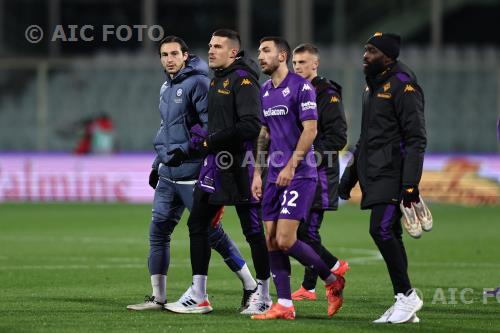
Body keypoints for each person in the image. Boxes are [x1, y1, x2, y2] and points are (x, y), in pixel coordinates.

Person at [127, 36, 251, 312]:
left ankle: (251, 285)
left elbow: (210, 127)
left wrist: (185, 150)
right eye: (163, 55)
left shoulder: (198, 83)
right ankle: (158, 297)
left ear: (185, 55)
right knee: (158, 231)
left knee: (212, 234)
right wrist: (157, 163)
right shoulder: (165, 87)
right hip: (168, 174)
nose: (169, 59)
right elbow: (166, 129)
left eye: (174, 54)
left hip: (193, 173)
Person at [165, 29, 272, 315]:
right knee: (197, 224)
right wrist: (190, 148)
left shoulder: (243, 80)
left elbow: (251, 125)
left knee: (253, 232)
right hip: (215, 166)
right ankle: (198, 294)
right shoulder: (218, 81)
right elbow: (214, 128)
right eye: (210, 45)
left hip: (240, 167)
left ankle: (263, 294)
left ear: (233, 52)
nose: (211, 50)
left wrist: (210, 141)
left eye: (218, 46)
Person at [250, 36, 345, 321]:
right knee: (270, 239)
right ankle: (285, 305)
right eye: (259, 51)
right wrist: (257, 172)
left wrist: (292, 166)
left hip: (300, 174)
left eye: (265, 51)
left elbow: (311, 130)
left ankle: (332, 280)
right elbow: (264, 134)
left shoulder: (301, 87)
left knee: (286, 239)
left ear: (282, 56)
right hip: (273, 177)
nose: (260, 56)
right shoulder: (265, 90)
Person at [339, 32, 426, 324]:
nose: (365, 55)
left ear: (388, 56)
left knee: (382, 230)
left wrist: (411, 183)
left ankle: (407, 295)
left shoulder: (403, 85)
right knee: (389, 232)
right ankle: (404, 303)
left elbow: (416, 138)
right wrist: (350, 176)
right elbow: (366, 137)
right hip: (374, 172)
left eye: (371, 51)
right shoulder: (372, 87)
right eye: (365, 49)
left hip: (394, 171)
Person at [290, 43, 349, 301]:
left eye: (303, 62)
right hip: (300, 171)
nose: (297, 67)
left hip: (320, 174)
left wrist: (308, 157)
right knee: (302, 229)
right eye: (294, 63)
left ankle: (334, 266)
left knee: (305, 232)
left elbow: (337, 137)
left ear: (315, 64)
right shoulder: (296, 91)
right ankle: (309, 287)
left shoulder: (326, 93)